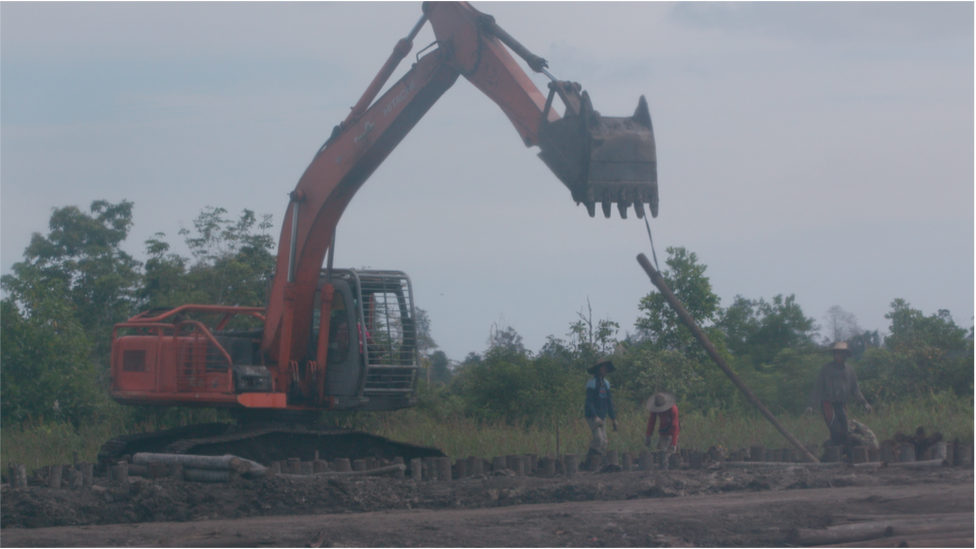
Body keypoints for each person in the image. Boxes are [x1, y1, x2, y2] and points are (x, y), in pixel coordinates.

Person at [806, 341, 872, 447]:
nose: (837, 355)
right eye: (835, 353)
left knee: (844, 433)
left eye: (840, 353)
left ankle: (836, 451)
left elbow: (855, 389)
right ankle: (834, 455)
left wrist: (865, 403)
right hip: (829, 404)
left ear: (845, 355)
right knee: (835, 431)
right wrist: (811, 406)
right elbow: (818, 388)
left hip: (841, 405)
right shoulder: (826, 369)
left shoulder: (850, 370)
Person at [584, 360, 618, 457]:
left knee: (604, 442)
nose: (604, 369)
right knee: (599, 439)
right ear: (597, 369)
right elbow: (589, 402)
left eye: (605, 368)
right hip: (592, 416)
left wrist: (613, 419)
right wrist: (595, 417)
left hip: (602, 416)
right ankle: (590, 462)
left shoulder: (606, 384)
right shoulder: (592, 383)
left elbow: (609, 403)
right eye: (602, 367)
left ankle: (600, 462)